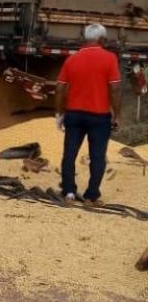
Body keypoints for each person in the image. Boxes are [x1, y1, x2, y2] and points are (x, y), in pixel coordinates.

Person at [56, 22, 121, 203]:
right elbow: (115, 89)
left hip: (74, 114)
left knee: (69, 153)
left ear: (86, 38)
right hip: (99, 116)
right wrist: (117, 114)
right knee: (97, 156)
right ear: (101, 39)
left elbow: (60, 88)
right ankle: (91, 196)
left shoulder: (72, 59)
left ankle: (68, 192)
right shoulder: (110, 58)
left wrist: (60, 113)